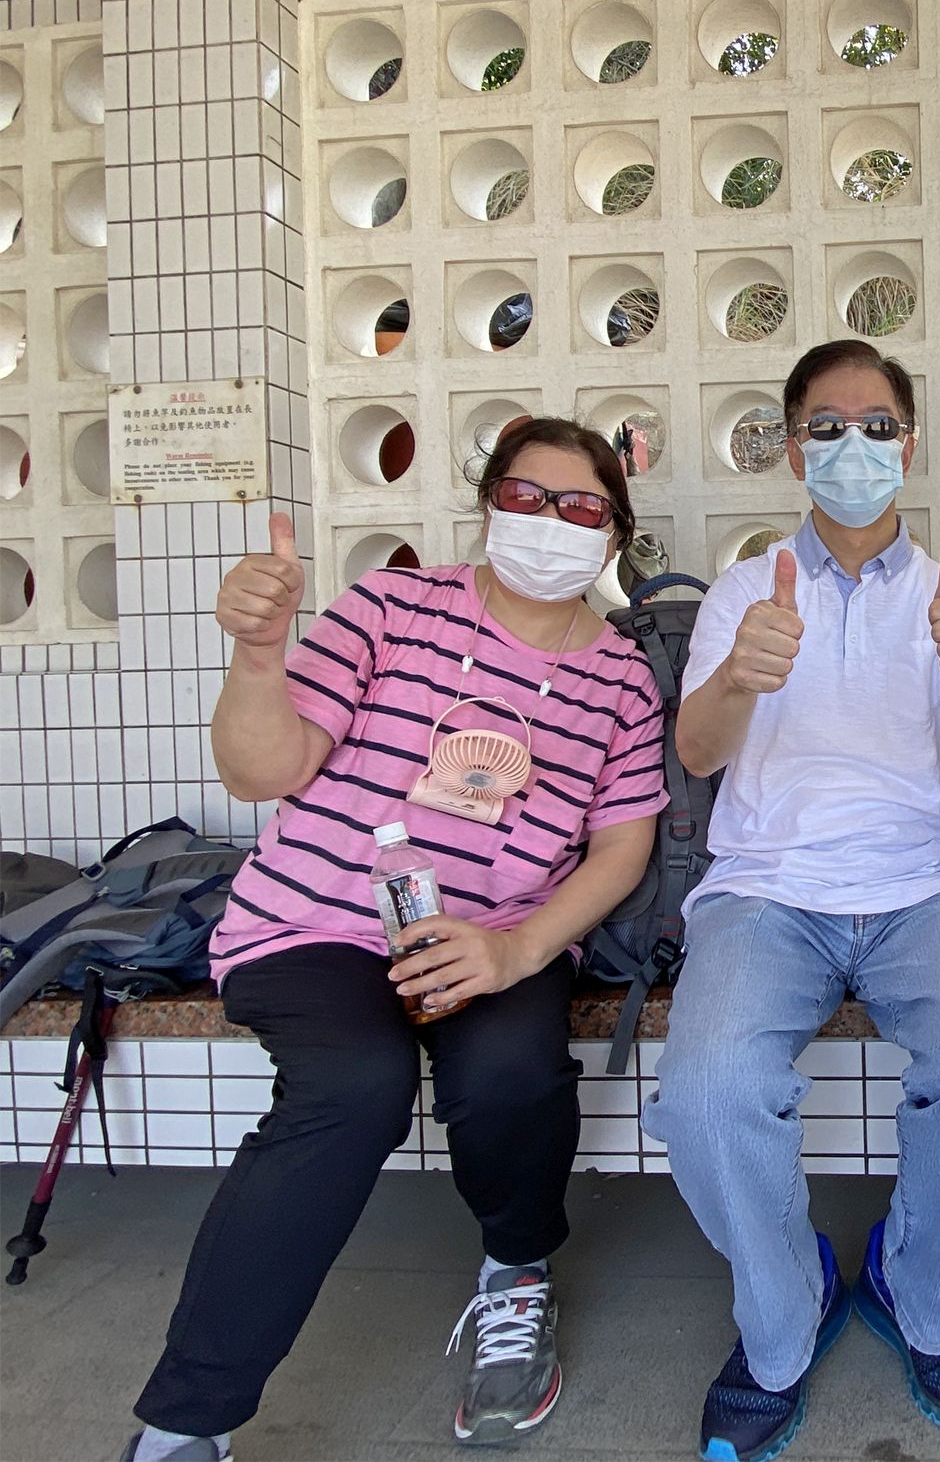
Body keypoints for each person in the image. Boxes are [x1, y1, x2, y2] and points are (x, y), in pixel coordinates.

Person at [120, 418, 665, 1462]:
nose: (550, 521)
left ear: (613, 535)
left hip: (494, 932)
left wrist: (516, 951)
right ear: (486, 505)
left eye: (581, 506)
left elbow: (621, 845)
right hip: (317, 923)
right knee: (354, 1085)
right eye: (525, 496)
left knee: (510, 1067)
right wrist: (257, 658)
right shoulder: (391, 606)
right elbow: (260, 769)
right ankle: (189, 1416)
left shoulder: (621, 679)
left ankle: (516, 1272)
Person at [642, 339, 940, 1462]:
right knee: (710, 1086)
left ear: (909, 443)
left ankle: (917, 1291)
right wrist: (734, 676)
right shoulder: (743, 588)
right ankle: (781, 1319)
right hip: (767, 890)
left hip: (924, 889)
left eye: (875, 424)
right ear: (790, 447)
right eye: (826, 425)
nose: (852, 444)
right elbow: (695, 746)